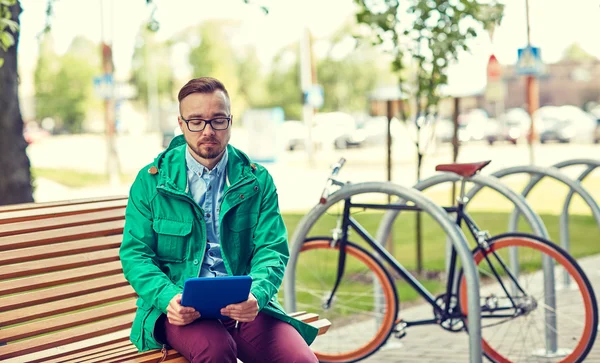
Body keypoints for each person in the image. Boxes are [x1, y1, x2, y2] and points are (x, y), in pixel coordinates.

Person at [120, 77, 319, 363]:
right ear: (181, 123)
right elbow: (135, 255)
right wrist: (167, 299)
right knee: (216, 349)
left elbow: (271, 250)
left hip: (245, 306)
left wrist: (257, 295)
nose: (208, 131)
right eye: (196, 121)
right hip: (181, 310)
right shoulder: (152, 182)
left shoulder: (256, 180)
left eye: (218, 120)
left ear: (230, 121)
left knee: (302, 361)